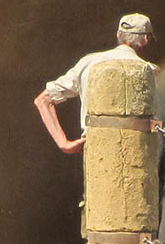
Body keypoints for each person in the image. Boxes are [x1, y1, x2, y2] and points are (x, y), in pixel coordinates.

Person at [33, 12, 157, 153]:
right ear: (146, 39)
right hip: (137, 152)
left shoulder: (88, 63)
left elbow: (42, 100)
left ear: (118, 34)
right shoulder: (150, 71)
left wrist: (64, 144)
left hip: (96, 153)